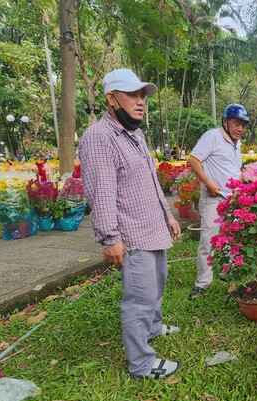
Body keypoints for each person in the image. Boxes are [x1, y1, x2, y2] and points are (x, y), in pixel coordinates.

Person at [78, 68, 182, 381]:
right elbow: (102, 192)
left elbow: (151, 179)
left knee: (156, 286)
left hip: (153, 228)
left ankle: (152, 328)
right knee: (140, 299)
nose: (141, 102)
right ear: (111, 99)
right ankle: (141, 364)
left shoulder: (133, 133)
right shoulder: (99, 138)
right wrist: (110, 239)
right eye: (133, 95)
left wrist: (168, 215)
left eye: (142, 96)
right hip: (132, 235)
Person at [187, 104, 250, 299]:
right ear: (225, 121)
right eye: (236, 123)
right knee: (208, 240)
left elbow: (233, 169)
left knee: (230, 239)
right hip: (214, 199)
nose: (240, 129)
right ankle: (202, 283)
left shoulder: (237, 143)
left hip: (232, 199)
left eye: (243, 125)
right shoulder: (212, 136)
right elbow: (194, 159)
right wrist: (208, 183)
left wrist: (243, 185)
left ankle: (226, 271)